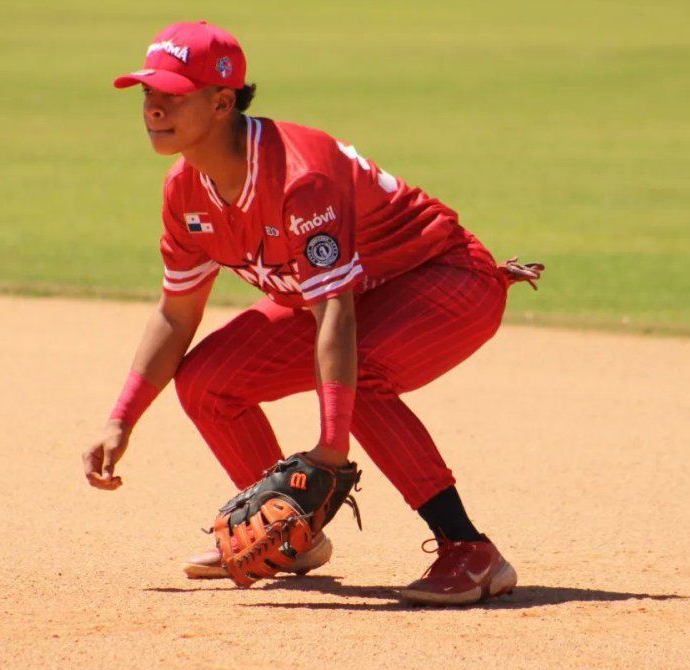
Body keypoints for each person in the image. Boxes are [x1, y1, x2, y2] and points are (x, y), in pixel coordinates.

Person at [81, 20, 541, 605]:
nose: (152, 107)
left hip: (445, 281)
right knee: (206, 382)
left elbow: (336, 317)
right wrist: (122, 418)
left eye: (172, 93)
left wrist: (330, 449)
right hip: (351, 300)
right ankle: (291, 534)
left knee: (357, 372)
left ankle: (470, 550)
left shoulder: (300, 176)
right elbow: (176, 317)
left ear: (223, 101)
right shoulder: (185, 192)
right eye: (148, 92)